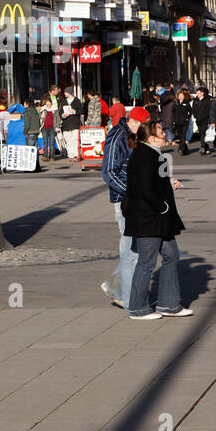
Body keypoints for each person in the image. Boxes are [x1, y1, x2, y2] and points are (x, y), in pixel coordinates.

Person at [123, 121, 192, 320]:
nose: (165, 134)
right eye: (161, 132)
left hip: (161, 219)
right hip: (148, 218)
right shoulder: (143, 155)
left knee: (171, 256)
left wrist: (171, 183)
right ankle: (137, 308)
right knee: (146, 262)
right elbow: (144, 188)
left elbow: (158, 180)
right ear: (151, 137)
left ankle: (169, 304)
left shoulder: (155, 154)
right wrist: (162, 205)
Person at [100, 105, 152, 311]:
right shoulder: (116, 138)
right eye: (142, 125)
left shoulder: (133, 135)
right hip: (125, 201)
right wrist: (131, 191)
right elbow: (109, 172)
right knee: (132, 250)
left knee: (132, 248)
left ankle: (117, 287)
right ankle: (126, 296)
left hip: (136, 199)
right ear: (133, 122)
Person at [59, 88, 83, 159]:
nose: (64, 94)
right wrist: (63, 115)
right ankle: (71, 156)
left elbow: (81, 110)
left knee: (75, 140)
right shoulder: (63, 101)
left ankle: (76, 155)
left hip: (75, 123)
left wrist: (74, 111)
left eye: (66, 92)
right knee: (68, 140)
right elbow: (60, 112)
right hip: (66, 124)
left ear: (69, 93)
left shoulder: (76, 101)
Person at [190, 86, 212, 155]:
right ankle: (207, 148)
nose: (197, 95)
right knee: (201, 134)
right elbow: (193, 109)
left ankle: (202, 147)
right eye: (197, 93)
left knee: (203, 133)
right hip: (198, 120)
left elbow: (209, 110)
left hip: (205, 120)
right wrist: (195, 116)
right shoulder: (195, 101)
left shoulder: (206, 100)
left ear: (202, 93)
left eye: (199, 93)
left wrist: (208, 118)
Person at [173, 88, 194, 155]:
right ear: (178, 96)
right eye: (180, 96)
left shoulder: (186, 103)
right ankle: (186, 149)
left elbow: (190, 111)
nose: (181, 97)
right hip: (177, 122)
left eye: (182, 96)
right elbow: (173, 112)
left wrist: (187, 118)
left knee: (183, 136)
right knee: (180, 136)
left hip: (185, 122)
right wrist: (174, 119)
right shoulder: (176, 103)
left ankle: (181, 149)